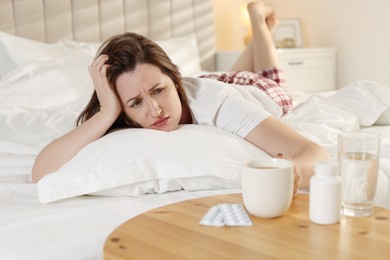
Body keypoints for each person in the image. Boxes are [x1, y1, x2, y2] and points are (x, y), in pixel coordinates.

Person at [31, 2, 330, 195]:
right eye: (135, 102)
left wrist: (294, 173)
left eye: (158, 90)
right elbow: (41, 173)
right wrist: (106, 111)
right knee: (224, 77)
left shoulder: (221, 103)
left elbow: (311, 151)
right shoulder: (117, 110)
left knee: (271, 80)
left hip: (247, 90)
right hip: (211, 84)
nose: (155, 109)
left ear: (175, 80)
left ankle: (259, 23)